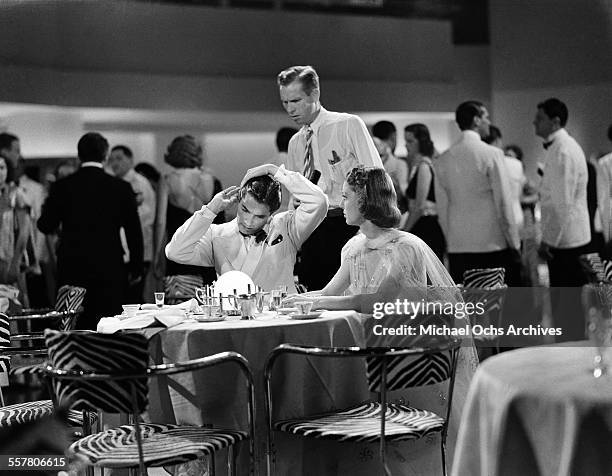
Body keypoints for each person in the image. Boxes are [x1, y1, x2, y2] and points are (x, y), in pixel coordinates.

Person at [283, 166, 477, 467]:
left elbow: (374, 302)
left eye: (346, 196)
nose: (340, 201)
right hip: (373, 352)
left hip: (402, 362)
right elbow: (330, 292)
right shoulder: (354, 247)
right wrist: (295, 299)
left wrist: (319, 303)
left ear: (366, 201)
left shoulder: (404, 249)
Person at [278, 65, 383, 290]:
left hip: (348, 226)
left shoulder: (348, 125)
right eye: (285, 102)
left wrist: (368, 230)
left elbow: (376, 179)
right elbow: (293, 198)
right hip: (311, 232)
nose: (290, 109)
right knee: (313, 298)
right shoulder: (296, 143)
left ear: (314, 94)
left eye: (295, 101)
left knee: (349, 298)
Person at [165, 163, 327, 293]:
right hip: (235, 323)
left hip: (280, 319)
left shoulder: (286, 226)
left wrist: (275, 171)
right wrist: (210, 210)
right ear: (238, 200)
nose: (249, 222)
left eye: (260, 216)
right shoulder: (216, 234)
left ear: (271, 214)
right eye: (245, 210)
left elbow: (319, 202)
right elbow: (175, 251)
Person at [38, 133, 144, 330]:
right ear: (105, 156)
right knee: (108, 324)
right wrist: (136, 267)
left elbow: (45, 225)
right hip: (109, 264)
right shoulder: (120, 187)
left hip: (72, 265)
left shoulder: (62, 186)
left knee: (73, 322)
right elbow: (133, 232)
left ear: (79, 156)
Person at [434, 100, 520, 285]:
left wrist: (451, 238)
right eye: (486, 117)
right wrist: (514, 242)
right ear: (477, 120)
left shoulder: (442, 159)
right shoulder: (492, 154)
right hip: (491, 242)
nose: (489, 122)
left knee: (467, 306)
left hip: (458, 244)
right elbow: (503, 203)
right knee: (494, 304)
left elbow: (442, 209)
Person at [534, 98, 590, 340]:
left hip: (565, 240)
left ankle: (570, 350)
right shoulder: (560, 147)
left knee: (566, 302)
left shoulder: (563, 149)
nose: (534, 122)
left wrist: (548, 240)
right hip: (567, 236)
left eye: (540, 118)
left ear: (555, 121)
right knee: (567, 301)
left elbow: (562, 204)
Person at [153, 135, 221, 290]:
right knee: (207, 305)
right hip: (206, 253)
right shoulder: (211, 180)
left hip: (180, 252)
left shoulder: (168, 180)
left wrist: (157, 256)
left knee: (179, 306)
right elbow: (219, 221)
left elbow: (160, 222)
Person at [108, 145, 156, 302]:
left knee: (133, 298)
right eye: (111, 159)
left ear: (130, 160)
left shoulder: (138, 183)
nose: (114, 163)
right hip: (124, 251)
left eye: (119, 158)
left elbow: (145, 216)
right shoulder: (116, 183)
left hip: (138, 249)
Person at [402, 123, 446, 260]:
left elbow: (419, 206)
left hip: (426, 226)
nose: (406, 145)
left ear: (420, 142)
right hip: (422, 224)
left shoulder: (424, 166)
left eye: (410, 141)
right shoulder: (418, 165)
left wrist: (404, 232)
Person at [0, 156, 31, 303]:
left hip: (11, 258)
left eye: (2, 167)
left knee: (15, 304)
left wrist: (15, 262)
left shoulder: (15, 193)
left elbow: (24, 230)